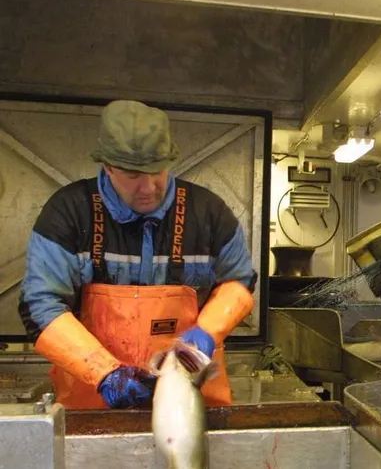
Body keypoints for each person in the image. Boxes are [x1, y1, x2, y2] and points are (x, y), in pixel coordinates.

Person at [19, 100, 256, 410]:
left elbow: (239, 280)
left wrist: (206, 333)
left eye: (157, 170)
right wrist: (104, 373)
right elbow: (39, 304)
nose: (148, 187)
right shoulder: (68, 213)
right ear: (107, 166)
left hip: (189, 401)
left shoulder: (209, 213)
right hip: (94, 404)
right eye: (132, 174)